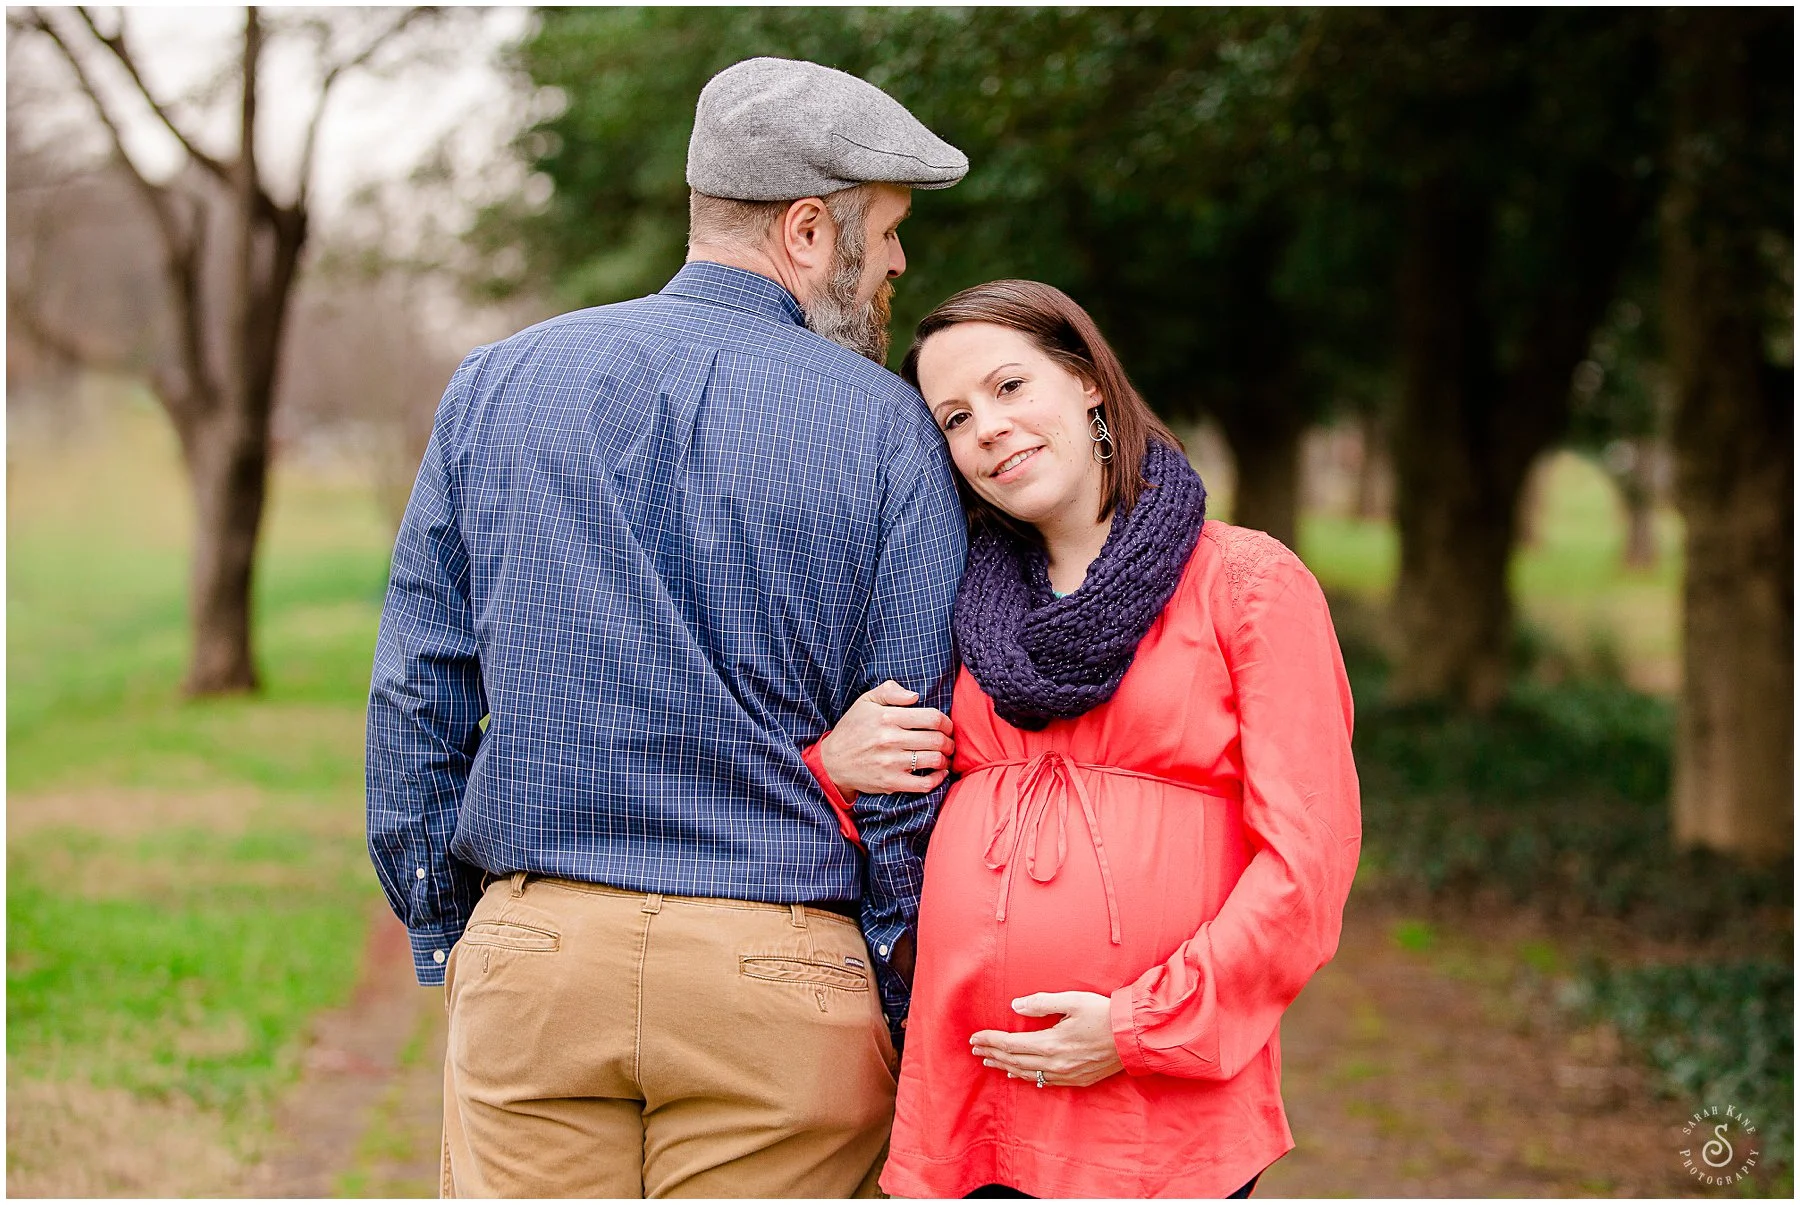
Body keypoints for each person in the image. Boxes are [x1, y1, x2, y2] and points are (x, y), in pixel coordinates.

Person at [365, 57, 969, 1198]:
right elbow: (909, 751)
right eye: (885, 232)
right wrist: (896, 987)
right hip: (781, 971)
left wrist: (460, 926)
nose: (896, 264)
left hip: (537, 956)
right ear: (806, 230)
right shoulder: (892, 431)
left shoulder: (496, 383)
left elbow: (417, 692)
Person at [810, 280, 1362, 1198]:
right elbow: (889, 805)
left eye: (1010, 386)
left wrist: (1138, 1025)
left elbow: (1307, 868)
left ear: (1087, 382)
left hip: (1151, 1105)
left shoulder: (1245, 582)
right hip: (967, 1092)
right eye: (954, 416)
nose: (987, 427)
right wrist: (835, 765)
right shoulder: (953, 604)